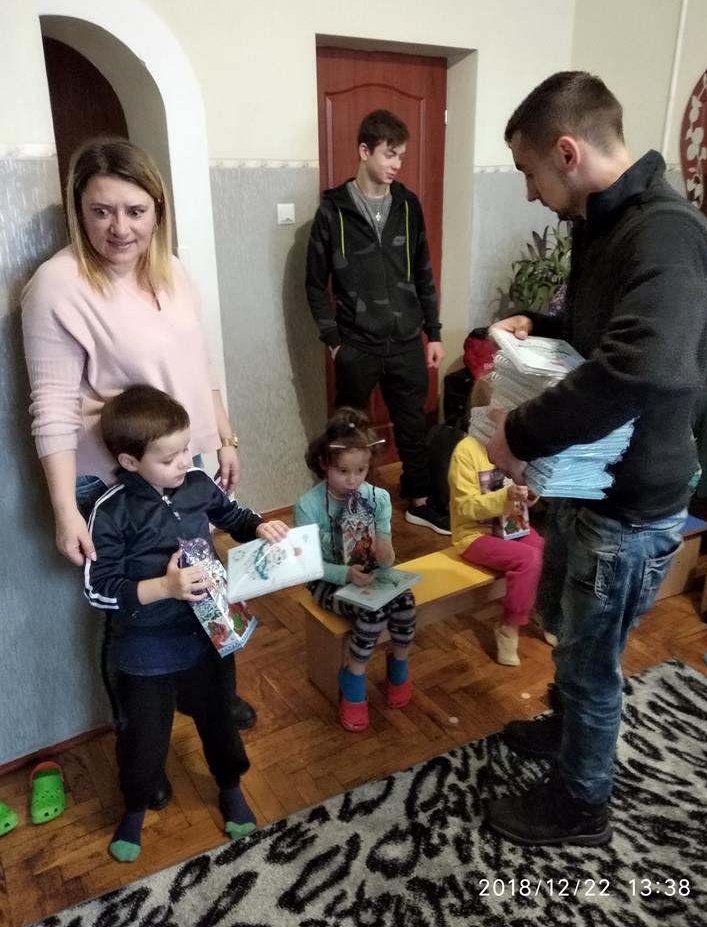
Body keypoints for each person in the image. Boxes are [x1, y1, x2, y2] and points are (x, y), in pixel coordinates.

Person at [484, 71, 707, 846]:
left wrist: (520, 435)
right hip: (591, 485)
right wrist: (543, 321)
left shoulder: (667, 235)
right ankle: (566, 731)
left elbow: (638, 366)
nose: (530, 192)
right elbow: (604, 329)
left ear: (567, 151)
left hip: (629, 504)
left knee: (592, 663)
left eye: (529, 172)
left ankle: (581, 805)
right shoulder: (605, 223)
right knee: (572, 634)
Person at [21, 137, 256, 787]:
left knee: (198, 581)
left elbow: (200, 362)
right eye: (101, 211)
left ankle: (209, 696)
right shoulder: (58, 286)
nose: (119, 228)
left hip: (184, 465)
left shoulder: (172, 270)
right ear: (79, 211)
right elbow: (52, 406)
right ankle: (141, 744)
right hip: (114, 484)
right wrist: (65, 508)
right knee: (133, 612)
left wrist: (224, 436)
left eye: (134, 211)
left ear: (158, 209)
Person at [84, 385, 288, 862]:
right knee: (143, 736)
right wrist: (165, 587)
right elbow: (99, 588)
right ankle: (135, 808)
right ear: (130, 461)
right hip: (146, 647)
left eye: (186, 449)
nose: (184, 463)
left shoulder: (195, 482)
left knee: (219, 717)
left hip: (208, 634)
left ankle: (230, 786)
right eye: (169, 457)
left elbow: (233, 514)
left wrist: (259, 526)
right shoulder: (111, 510)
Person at [305, 109, 449, 535]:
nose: (397, 164)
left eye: (401, 156)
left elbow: (423, 271)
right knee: (348, 431)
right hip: (357, 344)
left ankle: (419, 500)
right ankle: (343, 506)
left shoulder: (407, 205)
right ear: (364, 150)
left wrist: (434, 333)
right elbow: (314, 284)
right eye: (390, 154)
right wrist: (334, 340)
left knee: (413, 425)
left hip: (406, 340)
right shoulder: (333, 212)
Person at [294, 407, 416, 731]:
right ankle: (354, 676)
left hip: (370, 574)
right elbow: (307, 566)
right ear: (325, 463)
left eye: (360, 470)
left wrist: (386, 552)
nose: (352, 480)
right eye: (343, 471)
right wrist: (345, 574)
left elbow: (386, 554)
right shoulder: (308, 506)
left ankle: (399, 666)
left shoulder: (378, 498)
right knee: (374, 613)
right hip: (327, 581)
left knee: (406, 602)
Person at [448, 378, 546, 666]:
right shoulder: (466, 451)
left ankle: (541, 611)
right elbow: (465, 507)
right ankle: (509, 627)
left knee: (545, 550)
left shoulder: (513, 448)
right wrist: (506, 496)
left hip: (510, 526)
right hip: (473, 535)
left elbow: (524, 493)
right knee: (529, 559)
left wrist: (530, 495)